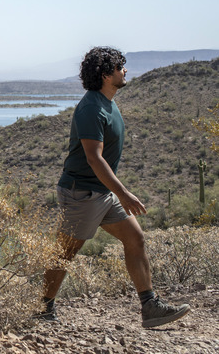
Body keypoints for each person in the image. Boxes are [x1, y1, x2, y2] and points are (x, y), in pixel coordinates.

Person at [39, 47, 190, 328]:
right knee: (65, 253)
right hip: (82, 193)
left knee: (136, 239)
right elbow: (93, 158)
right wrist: (124, 193)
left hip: (103, 192)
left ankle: (150, 307)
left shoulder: (108, 101)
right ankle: (42, 308)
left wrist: (116, 193)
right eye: (121, 67)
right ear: (106, 74)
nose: (126, 70)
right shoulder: (92, 108)